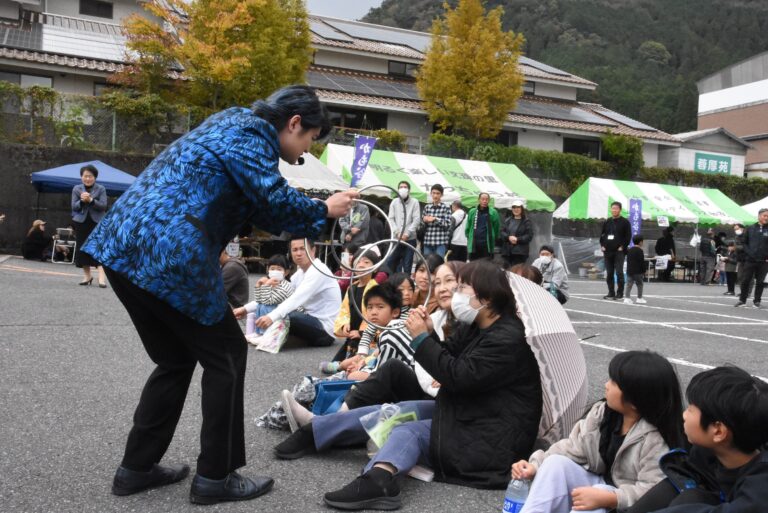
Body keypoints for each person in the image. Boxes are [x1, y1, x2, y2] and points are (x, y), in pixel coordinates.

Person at [81, 85, 358, 504]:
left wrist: (309, 208)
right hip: (171, 254)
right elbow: (273, 199)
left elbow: (261, 206)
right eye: (308, 140)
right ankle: (216, 476)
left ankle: (136, 469)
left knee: (175, 359)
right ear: (295, 123)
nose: (305, 152)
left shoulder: (230, 122)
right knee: (227, 355)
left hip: (122, 249)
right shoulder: (253, 136)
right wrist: (323, 210)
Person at [274, 260, 542, 511]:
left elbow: (459, 378)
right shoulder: (478, 325)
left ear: (486, 297)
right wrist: (429, 333)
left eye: (461, 287)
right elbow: (448, 355)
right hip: (475, 414)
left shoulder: (507, 338)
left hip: (489, 440)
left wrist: (420, 339)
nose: (455, 292)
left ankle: (380, 480)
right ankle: (316, 431)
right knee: (402, 408)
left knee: (409, 430)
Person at [512, 350, 685, 513]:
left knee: (596, 495)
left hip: (628, 505)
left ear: (635, 399)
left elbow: (653, 490)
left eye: (614, 382)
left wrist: (610, 498)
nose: (606, 385)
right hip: (601, 486)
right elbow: (572, 447)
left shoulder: (656, 438)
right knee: (555, 463)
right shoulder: (603, 413)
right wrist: (535, 466)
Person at [623, 366, 768, 513]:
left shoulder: (760, 489)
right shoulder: (707, 455)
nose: (684, 415)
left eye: (691, 409)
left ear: (718, 431)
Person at [255, 238, 342, 347]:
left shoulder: (318, 271)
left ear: (313, 250)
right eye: (295, 250)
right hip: (308, 321)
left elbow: (295, 299)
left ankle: (271, 337)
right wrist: (245, 309)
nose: (299, 253)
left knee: (288, 315)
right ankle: (279, 338)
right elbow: (283, 295)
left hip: (325, 330)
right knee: (274, 308)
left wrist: (271, 317)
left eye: (303, 249)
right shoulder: (299, 273)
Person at [233, 253, 293, 335]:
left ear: (286, 272)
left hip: (285, 317)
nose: (275, 271)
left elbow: (268, 301)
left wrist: (266, 285)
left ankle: (265, 333)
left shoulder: (286, 286)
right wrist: (258, 285)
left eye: (279, 269)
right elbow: (259, 300)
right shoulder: (271, 283)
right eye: (272, 268)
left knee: (265, 306)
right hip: (276, 314)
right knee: (260, 306)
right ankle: (259, 332)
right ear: (268, 270)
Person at [72, 164, 108, 287]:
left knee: (98, 248)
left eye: (90, 176)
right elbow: (74, 207)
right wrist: (82, 201)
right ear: (81, 177)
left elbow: (103, 206)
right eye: (85, 176)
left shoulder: (101, 188)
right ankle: (87, 276)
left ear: (95, 177)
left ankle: (101, 278)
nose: (88, 178)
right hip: (81, 222)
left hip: (96, 222)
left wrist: (91, 201)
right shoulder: (76, 189)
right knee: (82, 249)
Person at [735, 208, 768, 308]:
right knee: (745, 280)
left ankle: (757, 301)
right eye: (765, 215)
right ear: (759, 216)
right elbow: (744, 243)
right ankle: (742, 300)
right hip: (750, 259)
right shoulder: (750, 228)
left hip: (764, 260)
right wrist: (749, 253)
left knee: (760, 282)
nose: (766, 218)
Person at [386, 181, 420, 273]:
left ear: (409, 190)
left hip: (410, 239)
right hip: (397, 238)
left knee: (407, 265)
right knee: (390, 262)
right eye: (401, 187)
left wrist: (407, 233)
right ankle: (391, 283)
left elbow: (416, 219)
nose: (403, 189)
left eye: (405, 187)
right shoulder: (394, 202)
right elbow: (391, 218)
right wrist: (397, 232)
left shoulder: (415, 202)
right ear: (398, 189)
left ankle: (406, 284)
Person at [599, 201, 631, 300]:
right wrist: (602, 245)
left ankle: (620, 293)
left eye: (616, 208)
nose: (614, 210)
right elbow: (602, 235)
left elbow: (628, 236)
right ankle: (611, 292)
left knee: (619, 272)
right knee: (609, 273)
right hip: (607, 251)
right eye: (612, 208)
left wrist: (623, 246)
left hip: (619, 251)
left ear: (620, 210)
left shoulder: (625, 222)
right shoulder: (607, 221)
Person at [465, 192, 500, 261]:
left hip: (487, 245)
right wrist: (469, 236)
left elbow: (496, 228)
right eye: (483, 199)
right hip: (474, 244)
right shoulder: (472, 211)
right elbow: (468, 227)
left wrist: (493, 237)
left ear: (489, 201)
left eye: (487, 199)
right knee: (474, 265)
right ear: (479, 200)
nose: (484, 201)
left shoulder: (493, 212)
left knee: (486, 266)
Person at [501, 198, 534, 268]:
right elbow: (502, 232)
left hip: (520, 253)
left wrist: (517, 239)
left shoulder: (526, 222)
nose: (516, 209)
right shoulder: (508, 220)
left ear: (521, 209)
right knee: (506, 272)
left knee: (516, 274)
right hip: (507, 252)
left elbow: (529, 235)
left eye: (518, 207)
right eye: (514, 207)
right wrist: (508, 237)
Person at [421, 184, 452, 257]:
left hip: (440, 242)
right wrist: (424, 220)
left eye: (438, 193)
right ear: (431, 194)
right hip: (427, 241)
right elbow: (422, 222)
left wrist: (435, 219)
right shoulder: (427, 207)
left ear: (442, 195)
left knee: (439, 264)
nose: (435, 195)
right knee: (427, 265)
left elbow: (447, 224)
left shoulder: (446, 207)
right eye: (433, 193)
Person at [624, 235, 647, 305]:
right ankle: (639, 298)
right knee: (640, 284)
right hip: (638, 271)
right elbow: (641, 261)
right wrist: (644, 270)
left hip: (630, 270)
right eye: (642, 242)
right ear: (640, 242)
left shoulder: (630, 250)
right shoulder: (640, 250)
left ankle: (627, 298)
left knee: (629, 284)